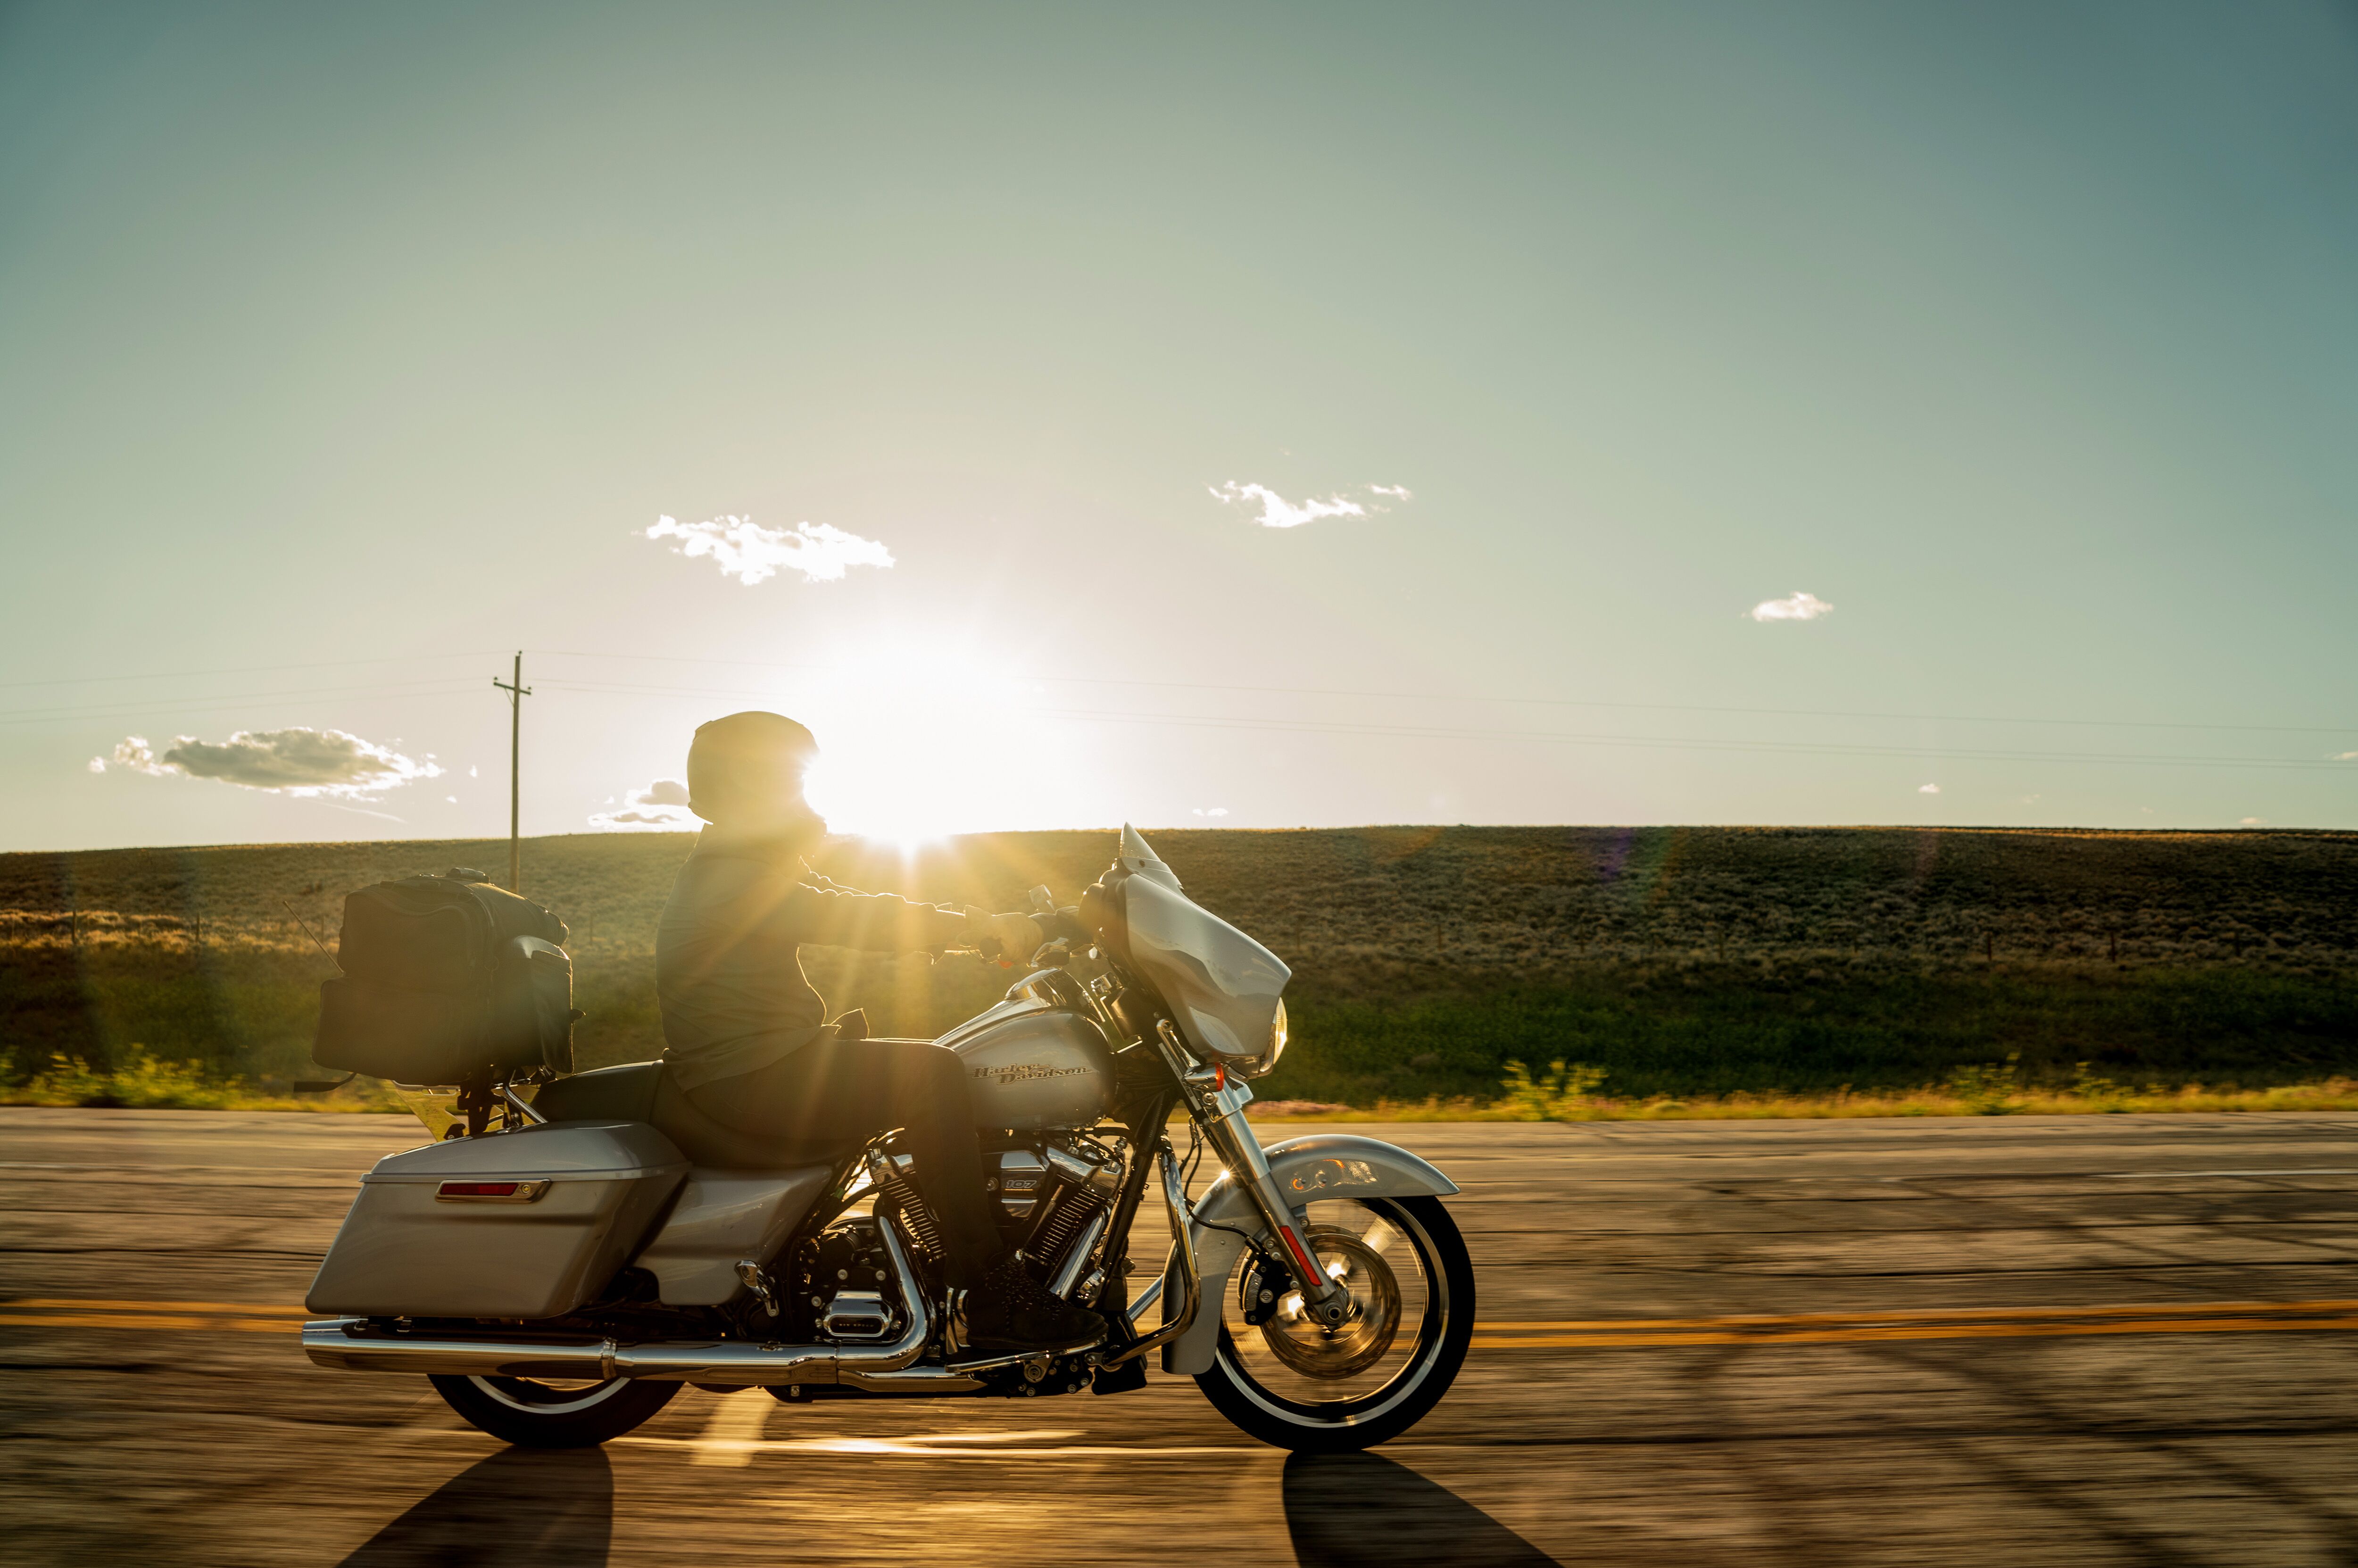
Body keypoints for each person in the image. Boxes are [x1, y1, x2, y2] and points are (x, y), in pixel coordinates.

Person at [653, 710, 1105, 1352]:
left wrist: (1006, 924)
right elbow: (848, 913)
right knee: (934, 1073)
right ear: (750, 786)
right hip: (748, 1075)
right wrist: (977, 926)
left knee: (948, 1064)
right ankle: (991, 1292)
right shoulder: (734, 877)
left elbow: (838, 895)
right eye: (789, 784)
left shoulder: (746, 864)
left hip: (767, 1060)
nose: (802, 801)